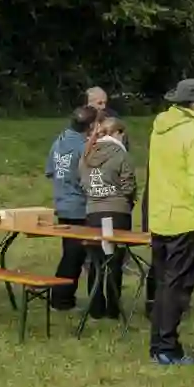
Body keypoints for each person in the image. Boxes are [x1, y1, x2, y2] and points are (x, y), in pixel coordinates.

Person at [147, 78, 194, 364]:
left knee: (165, 283)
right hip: (185, 218)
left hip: (160, 215)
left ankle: (158, 344)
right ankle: (167, 347)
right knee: (178, 287)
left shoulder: (160, 130)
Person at [78, 114, 137, 319]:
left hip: (93, 212)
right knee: (115, 262)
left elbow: (83, 183)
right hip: (118, 211)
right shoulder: (122, 155)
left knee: (95, 261)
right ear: (117, 133)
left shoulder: (86, 153)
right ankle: (113, 308)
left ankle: (95, 307)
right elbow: (128, 185)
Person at [45, 105, 100, 311]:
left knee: (71, 251)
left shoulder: (59, 141)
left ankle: (63, 298)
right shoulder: (85, 147)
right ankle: (61, 299)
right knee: (74, 255)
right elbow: (87, 179)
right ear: (92, 125)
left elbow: (51, 171)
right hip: (79, 207)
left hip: (62, 203)